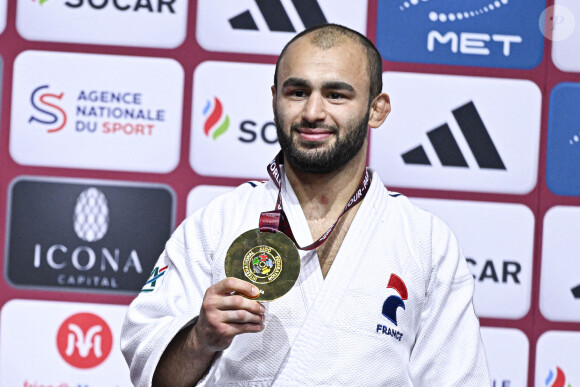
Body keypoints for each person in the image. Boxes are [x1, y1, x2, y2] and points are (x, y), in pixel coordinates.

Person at [121, 23, 491, 386]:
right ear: (274, 99)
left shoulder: (424, 240)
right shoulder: (218, 221)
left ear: (377, 109)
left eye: (336, 95)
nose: (313, 112)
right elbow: (151, 373)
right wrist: (201, 338)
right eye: (297, 92)